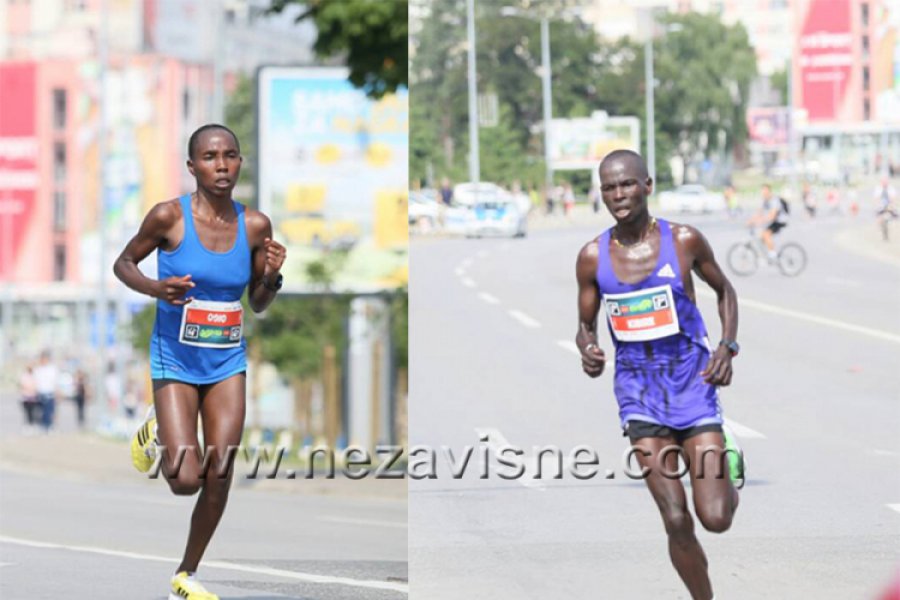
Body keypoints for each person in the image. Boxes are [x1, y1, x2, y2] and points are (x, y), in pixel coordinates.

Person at [113, 123, 286, 600]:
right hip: (175, 358)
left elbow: (257, 302)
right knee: (185, 480)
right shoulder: (168, 217)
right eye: (210, 157)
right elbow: (124, 263)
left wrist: (271, 276)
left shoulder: (255, 226)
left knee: (221, 469)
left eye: (230, 155)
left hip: (226, 360)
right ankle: (155, 431)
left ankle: (185, 575)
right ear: (192, 167)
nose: (222, 165)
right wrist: (155, 288)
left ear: (239, 163)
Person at [575, 149, 743, 600]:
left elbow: (725, 290)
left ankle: (728, 460)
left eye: (627, 184)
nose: (618, 195)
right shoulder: (592, 257)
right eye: (609, 187)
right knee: (674, 517)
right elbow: (585, 326)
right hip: (639, 394)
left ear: (647, 185)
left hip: (693, 386)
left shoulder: (684, 240)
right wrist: (588, 349)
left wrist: (727, 346)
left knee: (716, 518)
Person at [748, 183, 788, 261]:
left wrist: (760, 221)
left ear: (769, 191)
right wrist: (751, 221)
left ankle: (773, 255)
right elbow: (759, 212)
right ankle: (767, 252)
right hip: (773, 220)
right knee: (761, 237)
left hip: (780, 220)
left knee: (766, 234)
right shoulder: (765, 200)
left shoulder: (774, 200)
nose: (763, 193)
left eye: (765, 191)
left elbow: (772, 216)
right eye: (762, 192)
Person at [33, 350, 58, 433]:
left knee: (49, 411)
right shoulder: (38, 370)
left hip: (50, 393)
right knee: (40, 411)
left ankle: (49, 426)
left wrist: (57, 392)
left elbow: (55, 382)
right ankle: (43, 426)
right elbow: (35, 382)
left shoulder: (52, 369)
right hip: (40, 393)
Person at [874, 176, 898, 241]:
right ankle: (881, 227)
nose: (884, 183)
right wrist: (880, 205)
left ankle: (888, 228)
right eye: (883, 182)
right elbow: (876, 199)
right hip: (881, 206)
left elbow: (893, 198)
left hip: (889, 206)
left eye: (886, 182)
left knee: (891, 215)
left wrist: (890, 205)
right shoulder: (878, 188)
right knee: (880, 217)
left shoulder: (891, 189)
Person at [18, 363, 38, 433]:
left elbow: (36, 386)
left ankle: (32, 426)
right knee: (27, 413)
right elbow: (22, 385)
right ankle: (27, 426)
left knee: (33, 413)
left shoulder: (34, 375)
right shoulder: (24, 376)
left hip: (33, 397)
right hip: (26, 397)